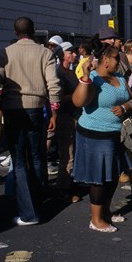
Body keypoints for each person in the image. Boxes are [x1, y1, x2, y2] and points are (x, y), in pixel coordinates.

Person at [0, 17, 61, 226]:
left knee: (19, 160)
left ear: (15, 31)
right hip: (36, 108)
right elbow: (53, 85)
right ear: (33, 31)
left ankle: (28, 211)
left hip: (13, 108)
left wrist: (0, 100)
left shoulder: (5, 53)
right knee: (38, 157)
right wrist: (54, 112)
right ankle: (38, 201)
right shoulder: (45, 53)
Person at [71, 46, 132, 232]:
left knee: (112, 176)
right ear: (106, 59)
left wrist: (125, 108)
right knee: (98, 178)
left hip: (116, 135)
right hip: (95, 135)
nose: (120, 61)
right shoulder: (93, 79)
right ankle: (96, 219)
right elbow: (78, 102)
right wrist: (85, 76)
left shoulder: (120, 78)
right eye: (117, 58)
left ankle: (106, 212)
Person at [55, 42, 81, 202]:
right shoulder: (60, 73)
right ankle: (63, 188)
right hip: (65, 117)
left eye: (74, 51)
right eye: (70, 52)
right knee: (67, 154)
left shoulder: (70, 72)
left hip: (74, 115)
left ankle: (69, 184)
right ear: (62, 55)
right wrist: (77, 96)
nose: (74, 55)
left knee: (72, 153)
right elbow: (58, 98)